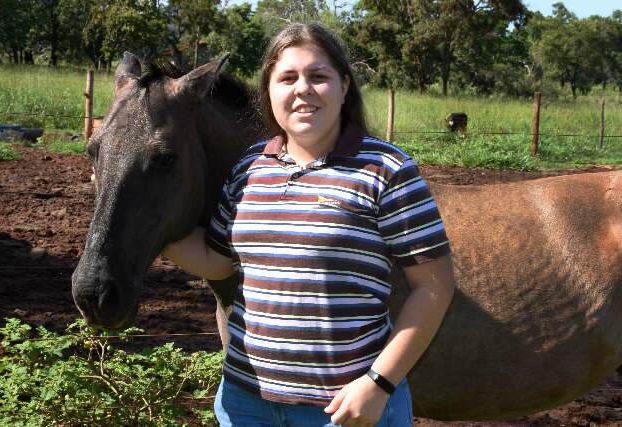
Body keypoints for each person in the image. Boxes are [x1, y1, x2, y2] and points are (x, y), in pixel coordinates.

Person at [163, 22, 455, 427]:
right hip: (245, 403)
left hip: (344, 409)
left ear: (344, 86)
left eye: (318, 76)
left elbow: (434, 287)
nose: (302, 89)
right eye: (287, 78)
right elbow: (217, 260)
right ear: (269, 90)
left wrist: (378, 384)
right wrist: (145, 226)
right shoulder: (249, 168)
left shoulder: (386, 169)